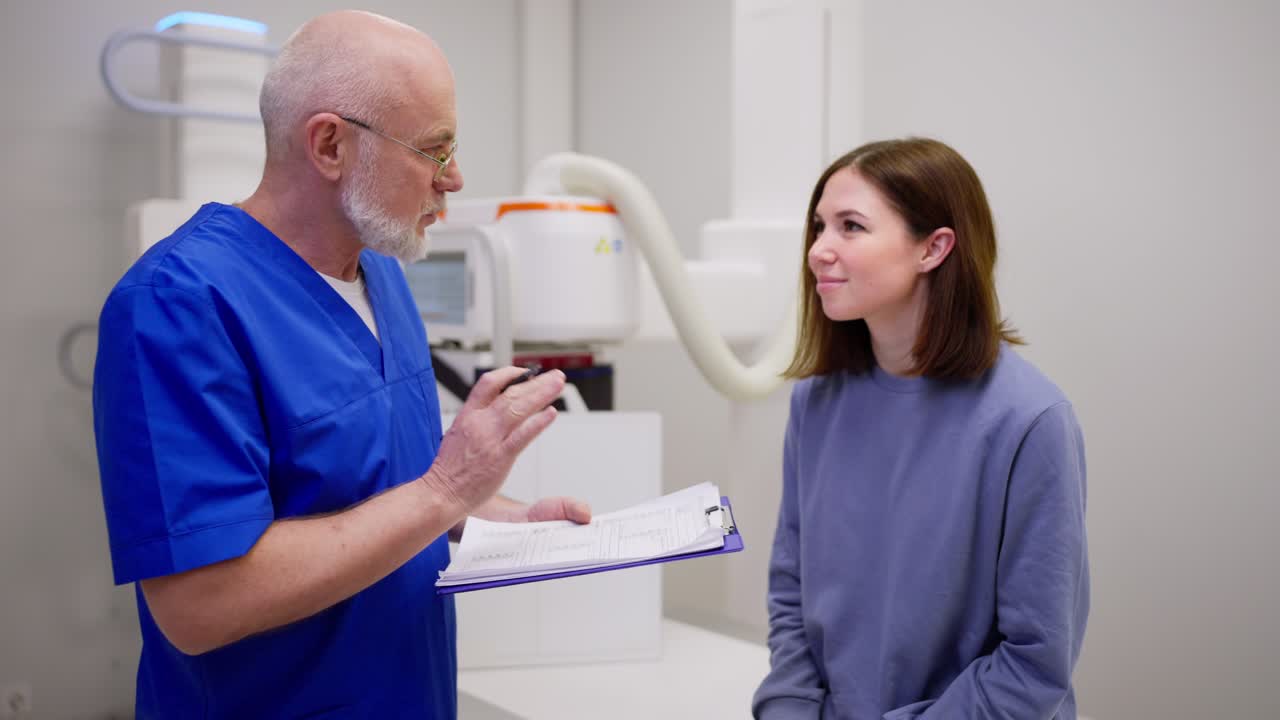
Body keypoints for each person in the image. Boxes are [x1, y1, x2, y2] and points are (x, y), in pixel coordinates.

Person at [92, 11, 591, 718]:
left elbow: (387, 486)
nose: (454, 179)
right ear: (330, 145)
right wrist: (449, 491)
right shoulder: (176, 305)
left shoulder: (381, 273)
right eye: (434, 151)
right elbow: (199, 605)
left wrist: (497, 516)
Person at [752, 138, 1089, 719]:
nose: (817, 251)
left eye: (850, 227)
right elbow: (791, 592)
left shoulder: (1030, 421)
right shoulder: (815, 402)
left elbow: (1034, 663)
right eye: (819, 227)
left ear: (933, 248)